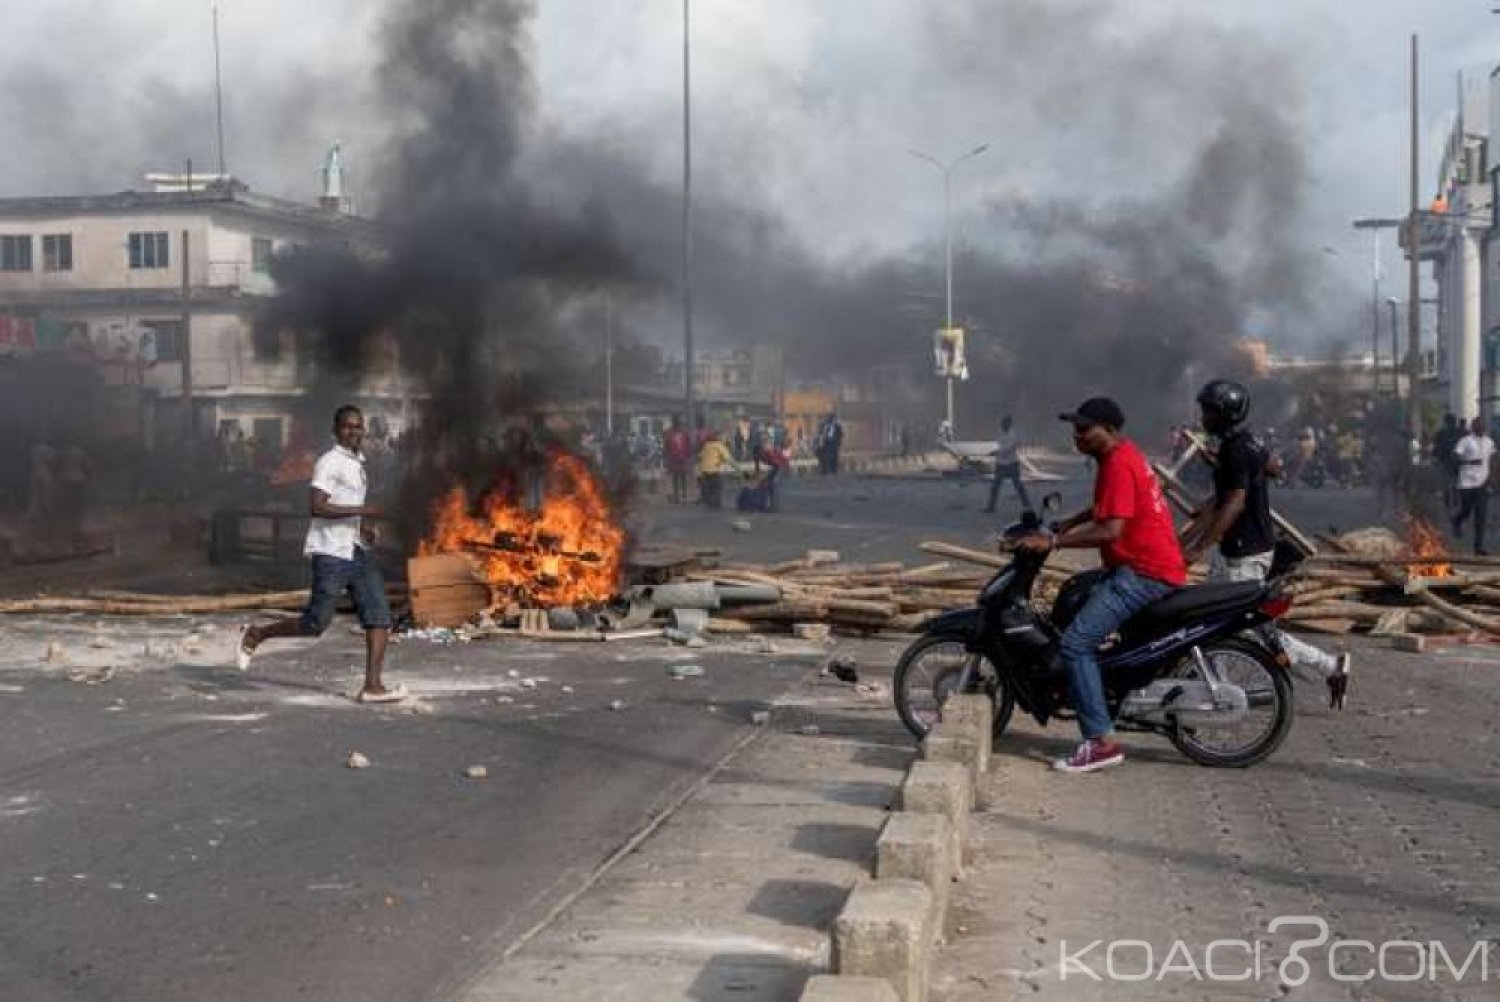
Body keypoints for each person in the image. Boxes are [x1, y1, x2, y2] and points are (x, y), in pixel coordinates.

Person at [1017, 397, 1186, 774]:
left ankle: (1100, 742)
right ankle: (1098, 692)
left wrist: (1055, 542)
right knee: (1074, 595)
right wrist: (1068, 523)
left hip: (1144, 572)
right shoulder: (1121, 457)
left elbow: (1111, 529)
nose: (1076, 436)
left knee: (1076, 644)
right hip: (1143, 566)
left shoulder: (1118, 464)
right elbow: (1108, 509)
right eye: (1074, 429)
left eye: (1084, 429)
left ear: (1109, 430)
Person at [1179, 380, 1351, 710]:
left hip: (1243, 551)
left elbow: (1234, 503)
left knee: (1241, 626)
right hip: (1239, 547)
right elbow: (1266, 471)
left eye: (1209, 411)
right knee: (1217, 622)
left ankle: (1327, 666)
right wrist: (1186, 539)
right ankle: (1216, 686)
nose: (1203, 417)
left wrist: (1198, 548)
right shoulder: (1244, 443)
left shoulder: (1238, 448)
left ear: (1226, 413)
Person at [235, 405, 403, 703]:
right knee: (315, 624)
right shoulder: (329, 462)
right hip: (330, 553)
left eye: (358, 426)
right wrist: (364, 510)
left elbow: (345, 505)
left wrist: (363, 528)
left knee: (379, 617)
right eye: (347, 427)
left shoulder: (357, 464)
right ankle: (257, 634)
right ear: (335, 431)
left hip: (355, 550)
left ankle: (373, 686)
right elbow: (317, 506)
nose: (354, 431)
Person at [1452, 417, 1496, 555]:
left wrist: (1493, 477)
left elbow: (1494, 459)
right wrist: (1468, 462)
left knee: (1481, 516)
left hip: (1482, 483)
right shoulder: (1465, 441)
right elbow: (1455, 456)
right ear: (1473, 427)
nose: (1481, 428)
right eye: (1478, 425)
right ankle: (1457, 520)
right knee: (1466, 510)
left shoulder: (1489, 442)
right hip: (1466, 482)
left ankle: (1479, 547)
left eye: (1483, 425)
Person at [982, 415, 1032, 514]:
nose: (1003, 425)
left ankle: (1027, 505)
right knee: (995, 486)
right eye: (1003, 423)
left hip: (1012, 463)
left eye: (1005, 423)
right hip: (1001, 463)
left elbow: (1011, 448)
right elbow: (1000, 445)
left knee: (1018, 485)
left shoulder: (1013, 434)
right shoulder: (1000, 433)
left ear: (1009, 424)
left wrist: (997, 453)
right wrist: (996, 452)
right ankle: (991, 507)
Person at [696, 430, 736, 508]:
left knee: (708, 488)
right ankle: (716, 502)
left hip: (704, 470)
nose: (725, 439)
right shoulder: (719, 446)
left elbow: (700, 456)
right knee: (718, 487)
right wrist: (737, 469)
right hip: (714, 470)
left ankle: (708, 501)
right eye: (724, 437)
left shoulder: (707, 445)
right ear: (720, 438)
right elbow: (729, 459)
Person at [1433, 412, 1462, 513]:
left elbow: (1436, 449)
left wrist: (1436, 458)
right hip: (1458, 463)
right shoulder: (1461, 432)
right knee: (1457, 483)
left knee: (1446, 484)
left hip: (1445, 462)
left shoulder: (1440, 433)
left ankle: (1449, 503)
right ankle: (1456, 501)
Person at [663, 415, 694, 504]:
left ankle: (683, 496)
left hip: (681, 459)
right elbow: (666, 446)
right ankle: (678, 496)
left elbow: (689, 446)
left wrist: (689, 457)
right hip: (674, 459)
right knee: (676, 478)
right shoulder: (670, 433)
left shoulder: (684, 433)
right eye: (679, 423)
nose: (680, 425)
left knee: (681, 478)